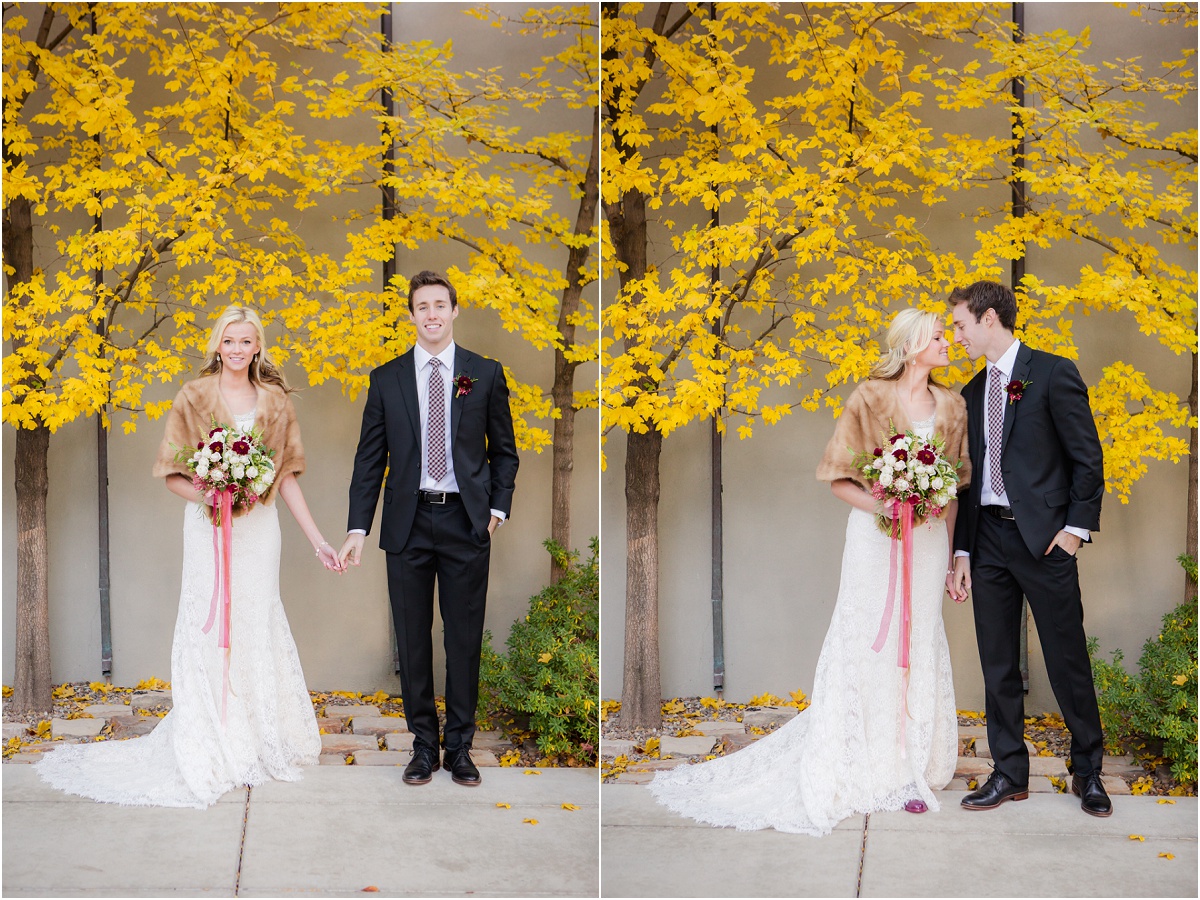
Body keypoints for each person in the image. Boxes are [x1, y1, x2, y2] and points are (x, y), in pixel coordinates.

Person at [649, 308, 970, 835]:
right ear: (912, 345)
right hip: (874, 539)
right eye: (938, 337)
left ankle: (913, 765)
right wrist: (886, 508)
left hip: (930, 543)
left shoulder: (953, 407)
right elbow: (837, 479)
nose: (947, 344)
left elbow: (955, 490)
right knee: (868, 641)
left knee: (919, 643)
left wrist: (956, 556)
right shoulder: (869, 398)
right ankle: (867, 763)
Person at [35, 306, 339, 808]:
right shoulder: (192, 397)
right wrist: (215, 493)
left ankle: (258, 739)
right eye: (229, 341)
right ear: (217, 345)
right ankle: (213, 740)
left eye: (246, 342)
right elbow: (172, 473)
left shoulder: (276, 402)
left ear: (258, 346)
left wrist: (319, 541)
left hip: (260, 534)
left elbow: (285, 479)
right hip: (208, 528)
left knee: (254, 622)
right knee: (208, 623)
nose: (237, 350)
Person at [339, 270, 518, 787]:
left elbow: (504, 452)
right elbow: (369, 461)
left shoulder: (483, 373)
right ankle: (422, 747)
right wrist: (357, 528)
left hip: (466, 523)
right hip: (408, 522)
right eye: (423, 306)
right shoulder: (387, 378)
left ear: (455, 311)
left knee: (463, 640)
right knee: (414, 641)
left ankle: (460, 748)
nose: (433, 314)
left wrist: (497, 509)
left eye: (441, 304)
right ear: (412, 315)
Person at [949, 281, 1110, 817]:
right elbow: (968, 482)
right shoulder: (972, 392)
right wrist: (964, 552)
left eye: (960, 325)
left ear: (989, 319)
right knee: (997, 664)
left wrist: (1072, 533)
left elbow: (1088, 459)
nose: (957, 335)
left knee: (1067, 662)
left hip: (1044, 542)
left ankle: (1088, 771)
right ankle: (1009, 773)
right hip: (989, 539)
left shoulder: (1053, 372)